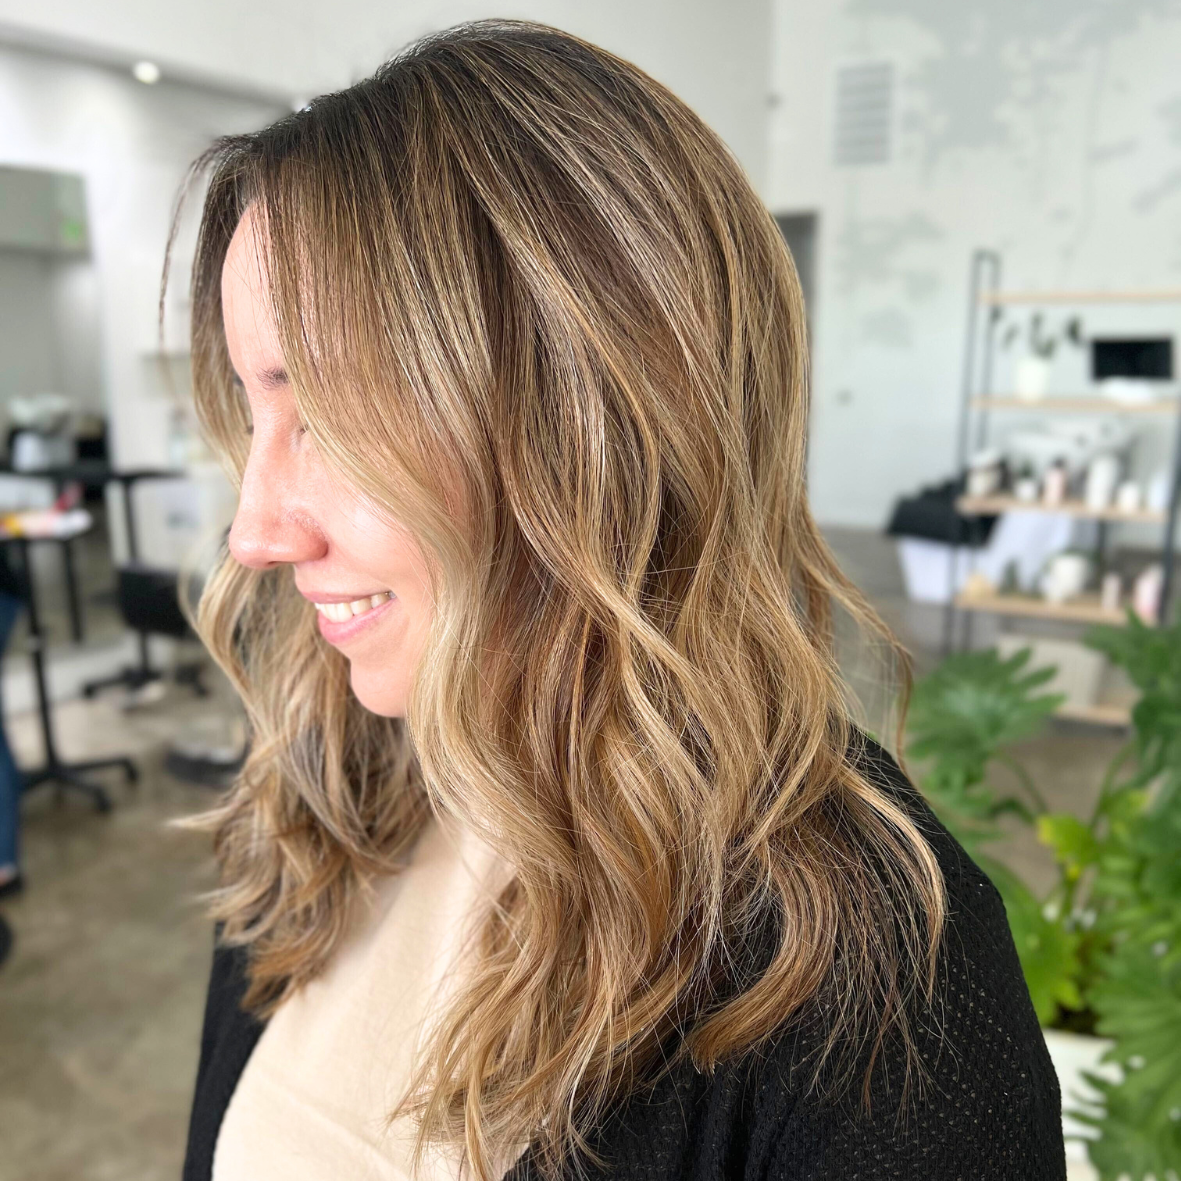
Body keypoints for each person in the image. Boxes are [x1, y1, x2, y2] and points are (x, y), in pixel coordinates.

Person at [173, 19, 1065, 1181]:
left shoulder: (872, 976)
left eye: (332, 418)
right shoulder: (324, 791)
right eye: (254, 414)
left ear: (589, 421)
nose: (254, 532)